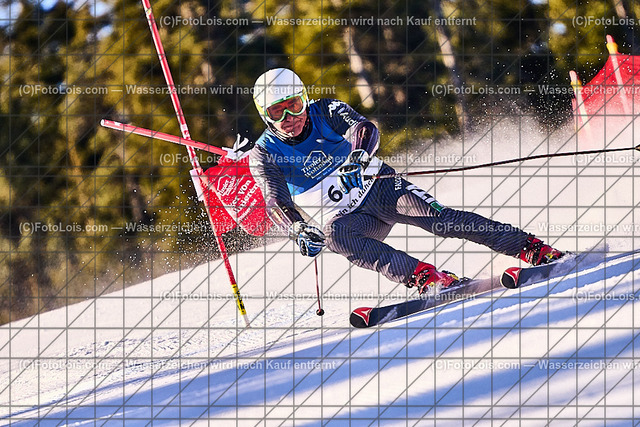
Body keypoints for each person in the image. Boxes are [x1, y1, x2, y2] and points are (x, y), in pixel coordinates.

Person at [243, 68, 563, 294]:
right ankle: (426, 277)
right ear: (264, 115)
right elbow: (275, 201)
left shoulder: (324, 110)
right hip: (350, 220)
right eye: (277, 111)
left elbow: (365, 128)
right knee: (334, 236)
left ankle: (531, 248)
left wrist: (358, 158)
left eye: (294, 105)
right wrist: (297, 229)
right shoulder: (263, 153)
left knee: (442, 220)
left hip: (381, 189)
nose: (290, 118)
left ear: (304, 98)